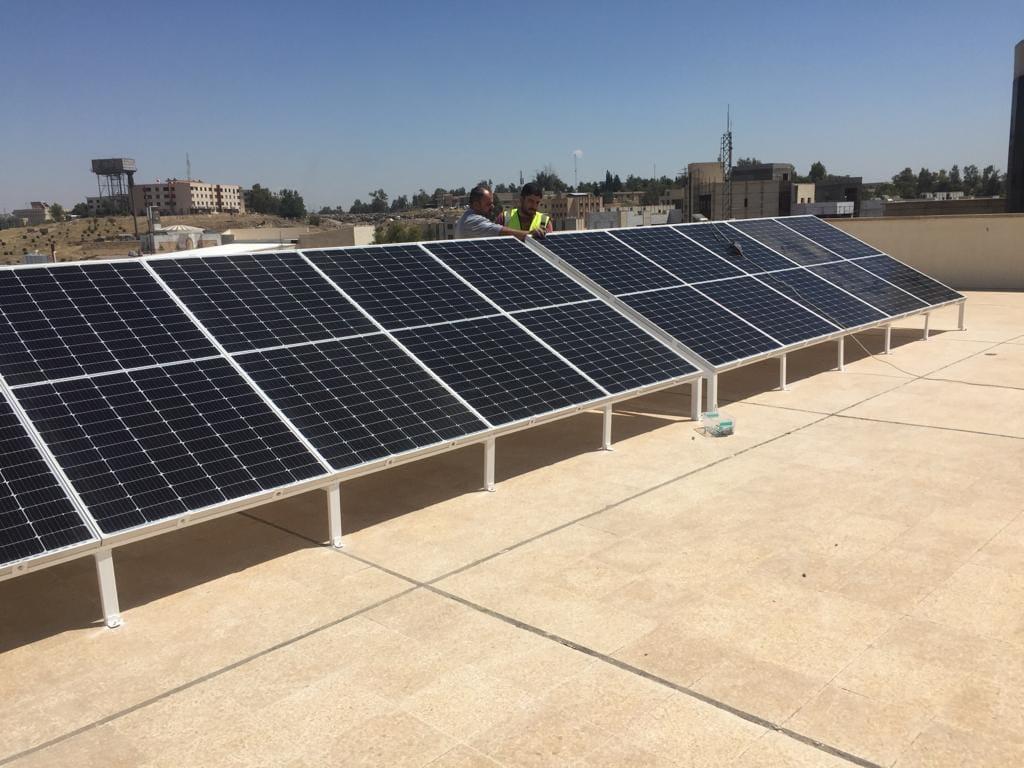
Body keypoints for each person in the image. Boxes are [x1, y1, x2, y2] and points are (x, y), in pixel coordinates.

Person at [455, 185, 531, 240]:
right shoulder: (473, 221)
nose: (492, 207)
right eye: (488, 204)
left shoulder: (466, 217)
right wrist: (530, 234)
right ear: (476, 205)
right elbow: (502, 232)